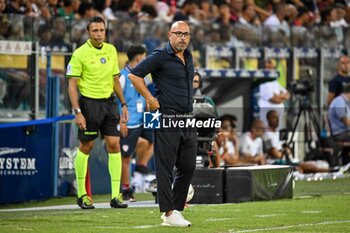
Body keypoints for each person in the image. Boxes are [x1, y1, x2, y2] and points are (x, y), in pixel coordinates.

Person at [128, 21, 196, 227]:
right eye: (178, 33)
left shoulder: (188, 56)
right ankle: (168, 213)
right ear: (169, 35)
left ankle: (175, 210)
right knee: (165, 166)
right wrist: (150, 98)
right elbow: (134, 75)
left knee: (189, 165)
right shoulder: (160, 55)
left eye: (186, 34)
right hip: (166, 116)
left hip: (187, 118)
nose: (182, 37)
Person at [66, 16, 128, 209]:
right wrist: (77, 111)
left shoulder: (111, 50)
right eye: (95, 30)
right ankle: (82, 194)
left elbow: (116, 79)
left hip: (109, 103)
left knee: (114, 144)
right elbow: (72, 85)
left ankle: (116, 196)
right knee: (86, 147)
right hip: (89, 104)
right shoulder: (79, 54)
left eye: (102, 30)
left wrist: (123, 103)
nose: (99, 34)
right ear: (88, 32)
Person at [118, 44, 154, 202]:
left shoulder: (143, 76)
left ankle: (141, 165)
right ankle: (126, 190)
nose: (145, 60)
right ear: (139, 58)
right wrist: (121, 121)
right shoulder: (122, 76)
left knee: (154, 138)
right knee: (125, 158)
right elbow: (116, 100)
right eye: (144, 57)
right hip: (129, 122)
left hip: (142, 118)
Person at [258, 58, 290, 129]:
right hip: (268, 119)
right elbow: (274, 100)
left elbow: (287, 95)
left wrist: (279, 96)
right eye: (268, 63)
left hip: (278, 117)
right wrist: (282, 97)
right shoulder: (262, 83)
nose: (270, 66)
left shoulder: (274, 81)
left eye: (271, 64)